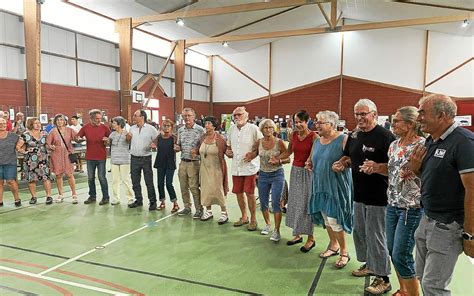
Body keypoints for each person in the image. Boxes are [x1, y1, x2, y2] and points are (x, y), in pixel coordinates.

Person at [410, 94, 474, 295]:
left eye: (423, 112)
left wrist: (470, 235)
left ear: (442, 116)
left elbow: (473, 191)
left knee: (433, 286)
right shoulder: (431, 140)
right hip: (427, 219)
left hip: (448, 225)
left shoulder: (465, 143)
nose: (418, 117)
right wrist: (416, 169)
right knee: (421, 275)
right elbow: (434, 177)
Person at [333, 98, 395, 294]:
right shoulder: (354, 135)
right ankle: (371, 264)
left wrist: (377, 168)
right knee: (361, 233)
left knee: (377, 237)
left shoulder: (386, 137)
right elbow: (349, 156)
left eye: (363, 114)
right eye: (357, 114)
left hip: (379, 197)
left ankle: (383, 278)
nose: (359, 118)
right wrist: (342, 163)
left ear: (374, 115)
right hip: (358, 194)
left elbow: (396, 168)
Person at [376, 106, 424, 296]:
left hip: (410, 209)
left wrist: (416, 170)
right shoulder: (394, 145)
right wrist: (376, 167)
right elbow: (392, 171)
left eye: (396, 121)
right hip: (392, 205)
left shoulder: (421, 146)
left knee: (401, 255)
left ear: (410, 124)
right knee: (391, 250)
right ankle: (404, 290)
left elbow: (427, 175)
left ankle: (413, 293)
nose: (392, 124)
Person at [307, 111, 353, 268]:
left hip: (336, 186)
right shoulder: (317, 141)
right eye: (316, 122)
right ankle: (334, 245)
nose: (316, 125)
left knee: (334, 219)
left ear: (331, 124)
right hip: (320, 185)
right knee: (326, 218)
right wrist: (310, 164)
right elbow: (313, 159)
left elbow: (352, 159)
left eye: (320, 123)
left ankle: (344, 252)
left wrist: (343, 164)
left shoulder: (343, 139)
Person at [272, 110, 317, 252]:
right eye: (295, 122)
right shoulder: (294, 135)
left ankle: (311, 239)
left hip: (307, 173)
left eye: (300, 122)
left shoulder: (313, 137)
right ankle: (297, 234)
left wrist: (309, 163)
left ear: (307, 121)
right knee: (295, 202)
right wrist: (277, 158)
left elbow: (312, 157)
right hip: (295, 172)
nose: (298, 124)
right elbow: (289, 152)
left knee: (306, 204)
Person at [226, 106, 263, 231]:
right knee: (238, 192)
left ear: (246, 116)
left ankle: (253, 219)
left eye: (239, 114)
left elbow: (262, 143)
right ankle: (244, 216)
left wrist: (253, 154)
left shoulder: (253, 129)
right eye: (235, 115)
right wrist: (228, 152)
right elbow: (228, 146)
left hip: (250, 168)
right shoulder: (231, 129)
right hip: (236, 168)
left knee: (250, 193)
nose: (237, 117)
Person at [254, 119, 288, 241]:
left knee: (275, 202)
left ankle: (277, 231)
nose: (268, 130)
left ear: (274, 129)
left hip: (277, 175)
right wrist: (247, 155)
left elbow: (288, 159)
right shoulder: (259, 142)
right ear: (262, 129)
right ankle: (268, 224)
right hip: (263, 175)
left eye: (271, 128)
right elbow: (253, 153)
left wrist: (278, 160)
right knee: (263, 202)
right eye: (266, 128)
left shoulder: (279, 143)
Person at [195, 116, 229, 224]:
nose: (206, 125)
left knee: (218, 190)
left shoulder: (220, 139)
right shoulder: (202, 138)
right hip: (204, 168)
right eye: (205, 123)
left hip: (217, 169)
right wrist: (194, 152)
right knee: (206, 190)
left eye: (209, 123)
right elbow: (197, 149)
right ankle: (208, 211)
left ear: (214, 126)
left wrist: (229, 152)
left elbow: (226, 150)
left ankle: (224, 213)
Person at [76, 109, 111, 205]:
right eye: (97, 118)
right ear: (91, 118)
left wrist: (107, 140)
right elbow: (77, 137)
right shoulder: (85, 127)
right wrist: (78, 139)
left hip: (101, 157)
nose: (99, 120)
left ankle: (106, 197)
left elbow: (111, 139)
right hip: (90, 157)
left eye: (100, 118)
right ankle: (92, 196)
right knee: (90, 178)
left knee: (101, 177)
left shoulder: (104, 127)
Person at [16, 117, 54, 205]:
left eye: (39, 123)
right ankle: (33, 197)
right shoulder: (25, 135)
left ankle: (49, 196)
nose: (38, 124)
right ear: (31, 124)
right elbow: (18, 147)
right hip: (30, 160)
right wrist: (24, 151)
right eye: (35, 123)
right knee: (32, 179)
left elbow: (48, 144)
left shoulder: (45, 134)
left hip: (43, 159)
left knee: (46, 177)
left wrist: (51, 147)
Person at [175, 108, 205, 218]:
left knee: (194, 187)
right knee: (183, 186)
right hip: (183, 162)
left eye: (189, 115)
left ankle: (199, 209)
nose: (186, 118)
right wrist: (177, 148)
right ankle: (187, 207)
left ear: (194, 116)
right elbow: (179, 145)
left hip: (194, 163)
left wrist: (197, 152)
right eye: (184, 116)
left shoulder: (200, 130)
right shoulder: (180, 130)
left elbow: (204, 145)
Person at [127, 109, 159, 210]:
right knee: (135, 180)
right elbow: (128, 141)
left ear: (142, 117)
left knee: (148, 181)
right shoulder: (131, 128)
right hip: (134, 158)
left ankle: (152, 202)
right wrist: (127, 138)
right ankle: (138, 200)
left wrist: (154, 145)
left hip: (146, 158)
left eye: (135, 115)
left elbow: (158, 139)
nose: (134, 117)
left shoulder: (151, 129)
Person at [46, 114, 78, 203]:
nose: (59, 121)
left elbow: (77, 138)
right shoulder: (53, 131)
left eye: (61, 120)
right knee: (58, 175)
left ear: (65, 121)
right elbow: (47, 143)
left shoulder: (70, 130)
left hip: (68, 154)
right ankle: (60, 194)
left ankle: (74, 194)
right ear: (55, 121)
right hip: (56, 154)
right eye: (58, 120)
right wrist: (50, 146)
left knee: (70, 174)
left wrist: (81, 138)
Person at [106, 116, 134, 206]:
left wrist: (129, 137)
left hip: (125, 160)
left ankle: (130, 198)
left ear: (119, 124)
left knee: (126, 180)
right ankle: (116, 198)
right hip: (114, 160)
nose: (112, 124)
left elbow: (129, 142)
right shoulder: (112, 134)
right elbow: (108, 143)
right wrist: (106, 141)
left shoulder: (126, 133)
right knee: (115, 180)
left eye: (114, 123)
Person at [153, 119, 179, 212]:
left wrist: (177, 148)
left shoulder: (174, 138)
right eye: (164, 125)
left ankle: (175, 203)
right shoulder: (158, 137)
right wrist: (152, 145)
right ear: (161, 127)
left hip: (170, 163)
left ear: (171, 127)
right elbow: (153, 145)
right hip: (160, 162)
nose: (166, 127)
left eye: (168, 126)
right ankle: (162, 202)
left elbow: (179, 147)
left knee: (168, 184)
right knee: (160, 184)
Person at [0, 117, 21, 207]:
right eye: (0, 123)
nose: (2, 125)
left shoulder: (13, 136)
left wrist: (20, 147)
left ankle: (17, 199)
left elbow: (23, 140)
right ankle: (0, 201)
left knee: (11, 181)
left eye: (4, 123)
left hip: (10, 162)